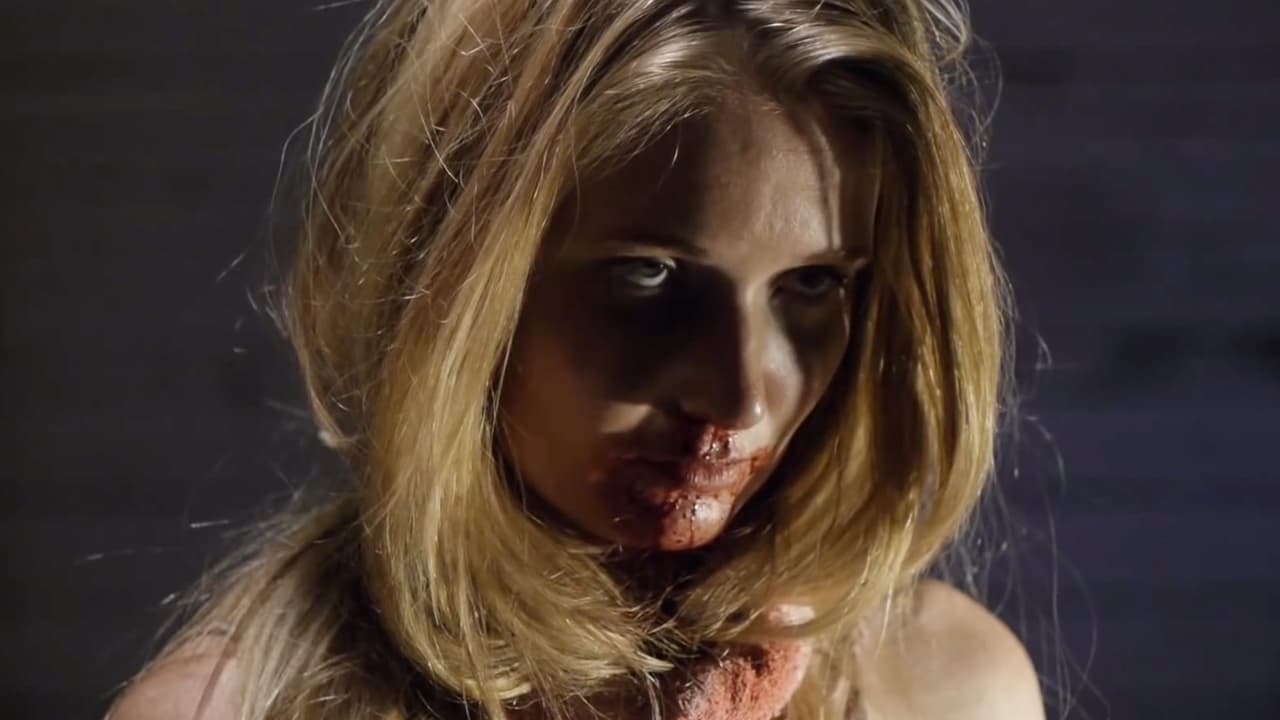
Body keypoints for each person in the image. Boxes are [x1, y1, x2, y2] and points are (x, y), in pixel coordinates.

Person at [110, 0, 1044, 718]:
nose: (739, 397)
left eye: (813, 284)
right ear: (454, 279)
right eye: (649, 277)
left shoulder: (944, 688)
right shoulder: (228, 708)